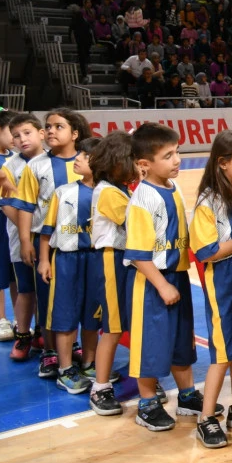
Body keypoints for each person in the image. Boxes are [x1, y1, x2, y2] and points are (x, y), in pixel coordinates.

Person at [125, 123, 214, 432]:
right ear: (144, 165)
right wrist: (161, 284)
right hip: (152, 281)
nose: (177, 160)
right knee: (151, 343)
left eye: (177, 152)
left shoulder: (172, 187)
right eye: (168, 155)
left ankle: (187, 395)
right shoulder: (142, 199)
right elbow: (137, 253)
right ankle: (147, 402)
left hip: (175, 278)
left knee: (181, 341)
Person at [8, 109, 92, 379]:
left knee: (78, 298)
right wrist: (24, 240)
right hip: (45, 243)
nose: (52, 131)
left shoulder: (89, 163)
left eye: (59, 126)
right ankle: (49, 351)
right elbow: (26, 206)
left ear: (75, 133)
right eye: (49, 126)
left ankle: (72, 345)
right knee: (47, 300)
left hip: (83, 243)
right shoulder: (37, 165)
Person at [190, 131, 232, 448]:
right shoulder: (209, 202)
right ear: (222, 163)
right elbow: (206, 252)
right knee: (222, 350)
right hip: (223, 282)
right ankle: (206, 418)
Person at [38, 137, 101, 395]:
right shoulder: (63, 192)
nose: (78, 158)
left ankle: (88, 363)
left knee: (92, 316)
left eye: (84, 156)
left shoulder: (109, 193)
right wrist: (44, 259)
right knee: (64, 315)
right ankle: (65, 370)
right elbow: (46, 230)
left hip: (96, 261)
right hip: (66, 260)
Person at [86, 132, 136, 416]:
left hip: (123, 259)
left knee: (125, 324)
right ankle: (100, 387)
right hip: (111, 260)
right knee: (114, 327)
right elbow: (134, 222)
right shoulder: (107, 191)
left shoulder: (117, 188)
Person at [0, 114, 46, 362]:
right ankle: (23, 333)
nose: (21, 139)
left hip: (52, 240)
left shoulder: (54, 161)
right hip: (22, 240)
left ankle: (42, 331)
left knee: (48, 291)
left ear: (41, 133)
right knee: (27, 289)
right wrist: (29, 230)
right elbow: (5, 203)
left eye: (27, 132)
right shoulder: (9, 167)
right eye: (16, 135)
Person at [0, 110, 17, 343]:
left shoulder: (16, 158)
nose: (16, 137)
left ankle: (21, 318)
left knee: (17, 272)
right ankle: (0, 320)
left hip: (14, 218)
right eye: (12, 132)